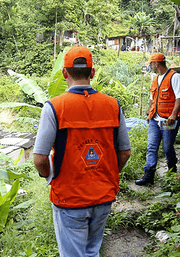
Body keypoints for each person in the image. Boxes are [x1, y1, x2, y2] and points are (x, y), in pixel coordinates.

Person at [33, 45, 131, 257]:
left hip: (69, 199)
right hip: (104, 196)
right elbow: (125, 152)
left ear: (64, 72)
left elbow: (40, 158)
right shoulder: (113, 105)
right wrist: (108, 173)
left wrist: (49, 176)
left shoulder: (54, 107)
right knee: (92, 251)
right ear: (92, 72)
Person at [135, 53, 180, 186]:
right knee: (151, 147)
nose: (151, 66)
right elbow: (151, 98)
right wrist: (149, 114)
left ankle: (172, 173)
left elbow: (179, 98)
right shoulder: (155, 78)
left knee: (167, 148)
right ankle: (148, 175)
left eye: (151, 64)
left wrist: (173, 115)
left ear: (156, 64)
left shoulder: (175, 77)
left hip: (168, 120)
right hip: (155, 119)